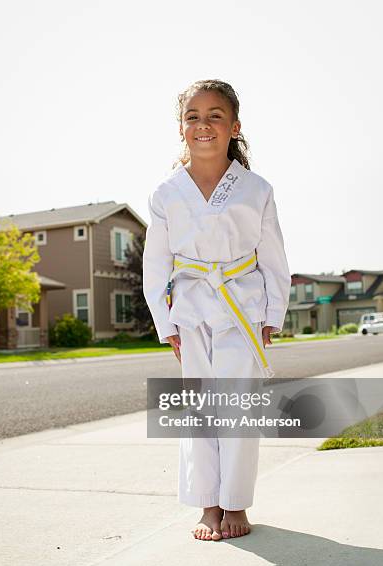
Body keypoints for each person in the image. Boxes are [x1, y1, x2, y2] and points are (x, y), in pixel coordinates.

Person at [142, 79, 291, 541]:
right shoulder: (167, 193)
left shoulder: (256, 189)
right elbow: (156, 263)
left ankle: (235, 505)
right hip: (189, 309)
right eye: (193, 116)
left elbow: (274, 259)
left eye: (215, 116)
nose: (203, 124)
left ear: (234, 127)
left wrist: (273, 316)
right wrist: (165, 323)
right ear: (181, 127)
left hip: (241, 307)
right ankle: (208, 504)